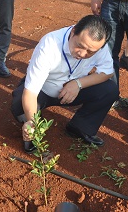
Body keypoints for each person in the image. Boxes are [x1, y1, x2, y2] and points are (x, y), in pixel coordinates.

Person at [11, 15, 117, 152]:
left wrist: (78, 84)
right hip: (45, 89)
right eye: (80, 46)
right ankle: (36, 131)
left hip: (74, 90)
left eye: (90, 52)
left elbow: (107, 72)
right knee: (20, 104)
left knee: (110, 90)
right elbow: (31, 92)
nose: (83, 54)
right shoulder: (49, 44)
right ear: (73, 31)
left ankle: (80, 128)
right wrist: (32, 123)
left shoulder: (98, 46)